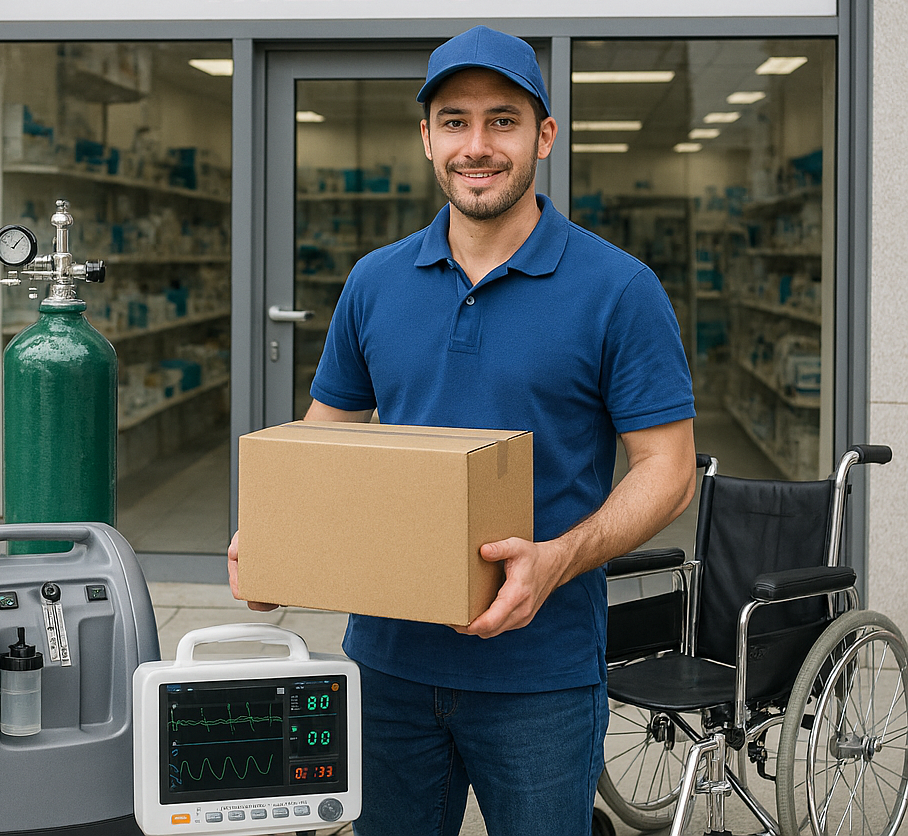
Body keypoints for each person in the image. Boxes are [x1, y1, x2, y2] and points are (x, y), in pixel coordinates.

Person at [229, 25, 696, 836]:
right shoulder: (374, 282)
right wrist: (277, 544)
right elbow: (323, 444)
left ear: (544, 136)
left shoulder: (619, 288)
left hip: (540, 674)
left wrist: (555, 562)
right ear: (427, 138)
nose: (476, 146)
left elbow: (668, 467)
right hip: (387, 664)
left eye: (502, 120)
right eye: (454, 121)